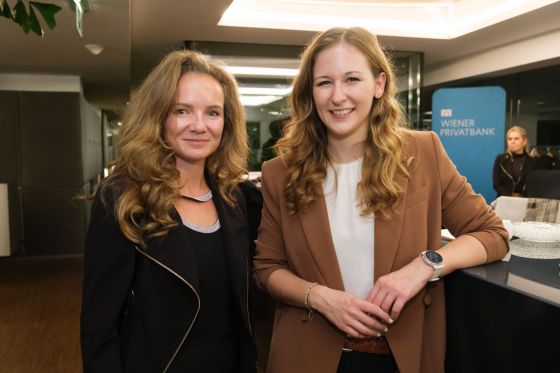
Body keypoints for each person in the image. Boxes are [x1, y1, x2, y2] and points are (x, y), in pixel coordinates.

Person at [253, 27, 509, 373]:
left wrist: (425, 266)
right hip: (307, 355)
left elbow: (492, 234)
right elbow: (267, 269)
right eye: (324, 82)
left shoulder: (423, 152)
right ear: (310, 93)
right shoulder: (280, 173)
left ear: (379, 84)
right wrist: (323, 298)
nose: (337, 96)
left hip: (402, 357)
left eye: (352, 79)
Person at [80, 50, 256, 373]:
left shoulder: (234, 200)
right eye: (182, 110)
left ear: (226, 122)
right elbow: (99, 328)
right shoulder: (125, 200)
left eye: (213, 113)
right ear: (159, 116)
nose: (199, 126)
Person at [492, 125, 540, 197]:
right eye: (510, 139)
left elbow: (536, 184)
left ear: (524, 141)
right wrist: (511, 198)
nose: (512, 141)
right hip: (505, 202)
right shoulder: (501, 159)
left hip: (525, 202)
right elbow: (496, 184)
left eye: (516, 138)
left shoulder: (534, 161)